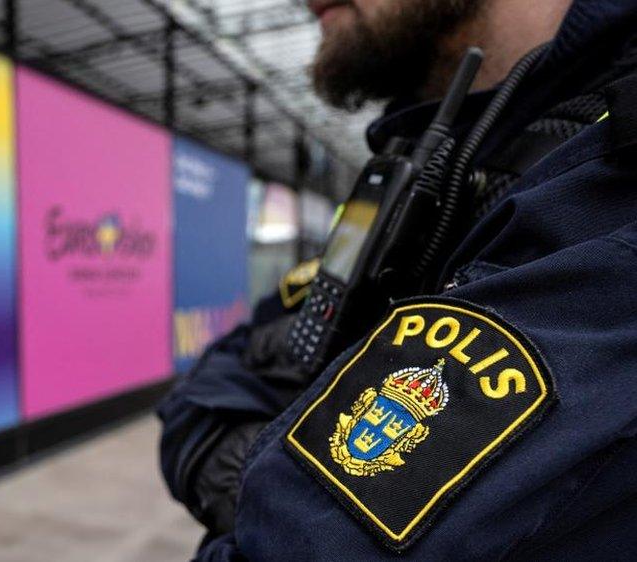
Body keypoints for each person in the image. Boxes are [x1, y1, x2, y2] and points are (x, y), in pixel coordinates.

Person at [158, 0, 637, 559]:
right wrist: (255, 473)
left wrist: (253, 462)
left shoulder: (610, 173)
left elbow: (292, 545)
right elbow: (214, 375)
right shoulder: (436, 157)